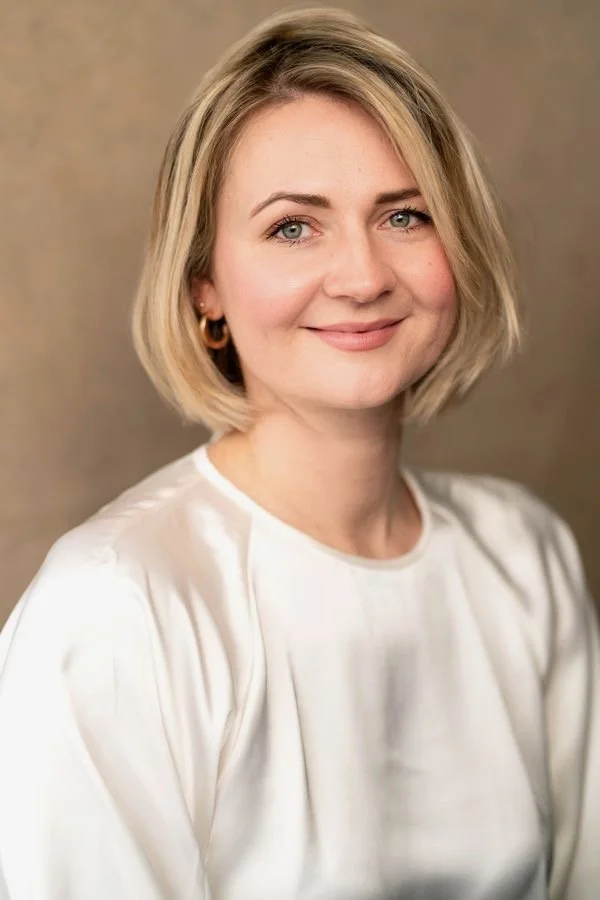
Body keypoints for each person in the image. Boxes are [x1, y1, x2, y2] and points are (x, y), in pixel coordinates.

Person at [0, 6, 598, 899]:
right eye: (293, 227)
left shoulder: (525, 555)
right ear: (205, 284)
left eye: (405, 216)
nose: (362, 277)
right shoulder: (113, 610)